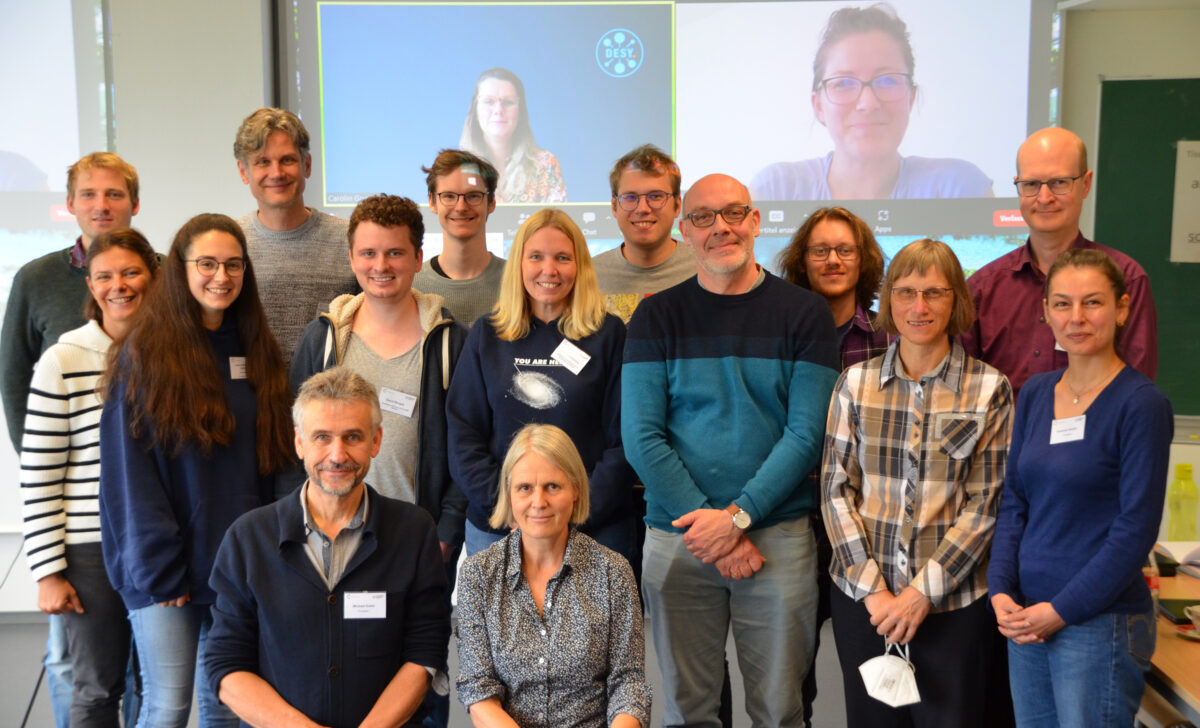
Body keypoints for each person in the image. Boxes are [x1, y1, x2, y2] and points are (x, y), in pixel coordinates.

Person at [623, 173, 839, 727]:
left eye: (734, 213)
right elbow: (642, 437)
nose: (721, 227)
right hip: (680, 537)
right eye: (703, 217)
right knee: (686, 713)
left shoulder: (804, 313)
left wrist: (739, 517)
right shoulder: (656, 315)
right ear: (683, 229)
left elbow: (806, 435)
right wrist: (717, 534)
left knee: (780, 712)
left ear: (756, 221)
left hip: (777, 539)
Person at [99, 213, 294, 728]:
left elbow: (270, 459)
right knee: (166, 708)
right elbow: (129, 481)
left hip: (235, 567)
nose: (221, 277)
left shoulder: (255, 349)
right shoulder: (144, 355)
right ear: (180, 270)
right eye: (206, 263)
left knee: (227, 709)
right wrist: (161, 571)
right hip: (166, 572)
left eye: (233, 265)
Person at [290, 193, 465, 727]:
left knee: (420, 677)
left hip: (421, 540)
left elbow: (467, 444)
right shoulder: (323, 338)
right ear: (351, 259)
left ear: (418, 256)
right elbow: (296, 437)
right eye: (367, 253)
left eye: (393, 253)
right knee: (342, 674)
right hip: (335, 538)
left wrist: (446, 530)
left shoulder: (449, 342)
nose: (380, 266)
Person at [822, 238, 1013, 727]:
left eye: (935, 293)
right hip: (867, 604)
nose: (919, 306)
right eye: (906, 292)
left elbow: (986, 503)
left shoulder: (990, 388)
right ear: (888, 302)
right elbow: (835, 492)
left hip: (953, 606)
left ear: (957, 302)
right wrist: (877, 594)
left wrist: (922, 593)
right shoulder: (855, 384)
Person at [988, 249, 1172, 728]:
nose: (1077, 318)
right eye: (1063, 304)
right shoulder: (1035, 393)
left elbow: (1136, 530)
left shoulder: (1141, 405)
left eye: (1093, 303)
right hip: (1026, 620)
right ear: (1046, 312)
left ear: (1123, 309)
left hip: (1098, 626)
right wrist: (1000, 591)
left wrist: (1062, 611)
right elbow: (1014, 504)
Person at [207, 367, 451, 728]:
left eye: (352, 437)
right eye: (322, 437)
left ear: (376, 440)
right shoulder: (248, 538)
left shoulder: (414, 532)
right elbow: (225, 665)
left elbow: (425, 652)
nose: (337, 455)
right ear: (299, 442)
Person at [1, 150, 141, 728]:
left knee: (147, 679)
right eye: (89, 195)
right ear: (71, 205)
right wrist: (49, 476)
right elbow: (13, 382)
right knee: (80, 673)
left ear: (135, 203)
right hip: (78, 521)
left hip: (146, 528)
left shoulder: (156, 272)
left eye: (114, 195)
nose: (101, 206)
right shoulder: (36, 279)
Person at [20, 228, 158, 726]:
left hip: (156, 546)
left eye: (130, 272)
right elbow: (39, 473)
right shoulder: (63, 358)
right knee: (98, 687)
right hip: (88, 550)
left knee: (156, 687)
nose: (117, 285)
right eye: (104, 276)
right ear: (90, 285)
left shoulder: (173, 354)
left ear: (154, 277)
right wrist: (48, 572)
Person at [446, 209, 635, 562]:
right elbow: (463, 434)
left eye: (563, 258)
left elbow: (626, 439)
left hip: (595, 528)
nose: (549, 270)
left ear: (580, 265)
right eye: (536, 257)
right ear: (518, 263)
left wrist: (573, 513)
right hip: (499, 529)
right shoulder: (487, 335)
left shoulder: (608, 334)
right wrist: (513, 509)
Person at [456, 423, 650, 728]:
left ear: (575, 490)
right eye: (525, 488)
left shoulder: (613, 572)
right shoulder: (478, 575)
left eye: (552, 486)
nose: (538, 502)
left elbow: (629, 684)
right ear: (509, 493)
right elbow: (477, 689)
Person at [777, 205, 890, 726]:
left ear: (863, 259)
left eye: (845, 249)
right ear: (802, 260)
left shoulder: (889, 340)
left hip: (867, 532)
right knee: (791, 680)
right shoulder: (777, 334)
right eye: (820, 250)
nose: (833, 260)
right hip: (793, 519)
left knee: (873, 678)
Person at [963, 127, 1157, 398]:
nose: (1044, 198)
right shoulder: (981, 289)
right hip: (1005, 440)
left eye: (1059, 182)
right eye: (1031, 184)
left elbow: (1137, 394)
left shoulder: (1126, 279)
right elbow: (962, 392)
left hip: (1096, 439)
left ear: (1086, 184)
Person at [752, 3, 992, 200]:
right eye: (844, 83)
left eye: (887, 81)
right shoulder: (775, 191)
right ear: (819, 106)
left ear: (911, 97)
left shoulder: (960, 189)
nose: (867, 103)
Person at [233, 107, 356, 361]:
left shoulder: (350, 240)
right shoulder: (229, 244)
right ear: (244, 172)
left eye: (287, 160)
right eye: (263, 162)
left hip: (332, 398)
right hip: (251, 397)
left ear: (307, 165)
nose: (276, 173)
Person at [593, 144, 695, 323]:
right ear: (614, 207)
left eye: (656, 196)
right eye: (630, 197)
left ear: (677, 205)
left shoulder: (704, 271)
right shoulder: (588, 276)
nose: (642, 209)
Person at [414, 149, 506, 327]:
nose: (461, 207)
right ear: (432, 202)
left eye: (473, 196)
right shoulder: (411, 287)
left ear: (492, 202)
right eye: (449, 196)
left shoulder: (520, 280)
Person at [459, 68, 566, 204]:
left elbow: (558, 222)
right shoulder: (454, 170)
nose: (498, 110)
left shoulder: (545, 165)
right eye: (489, 102)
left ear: (520, 112)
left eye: (508, 102)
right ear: (476, 111)